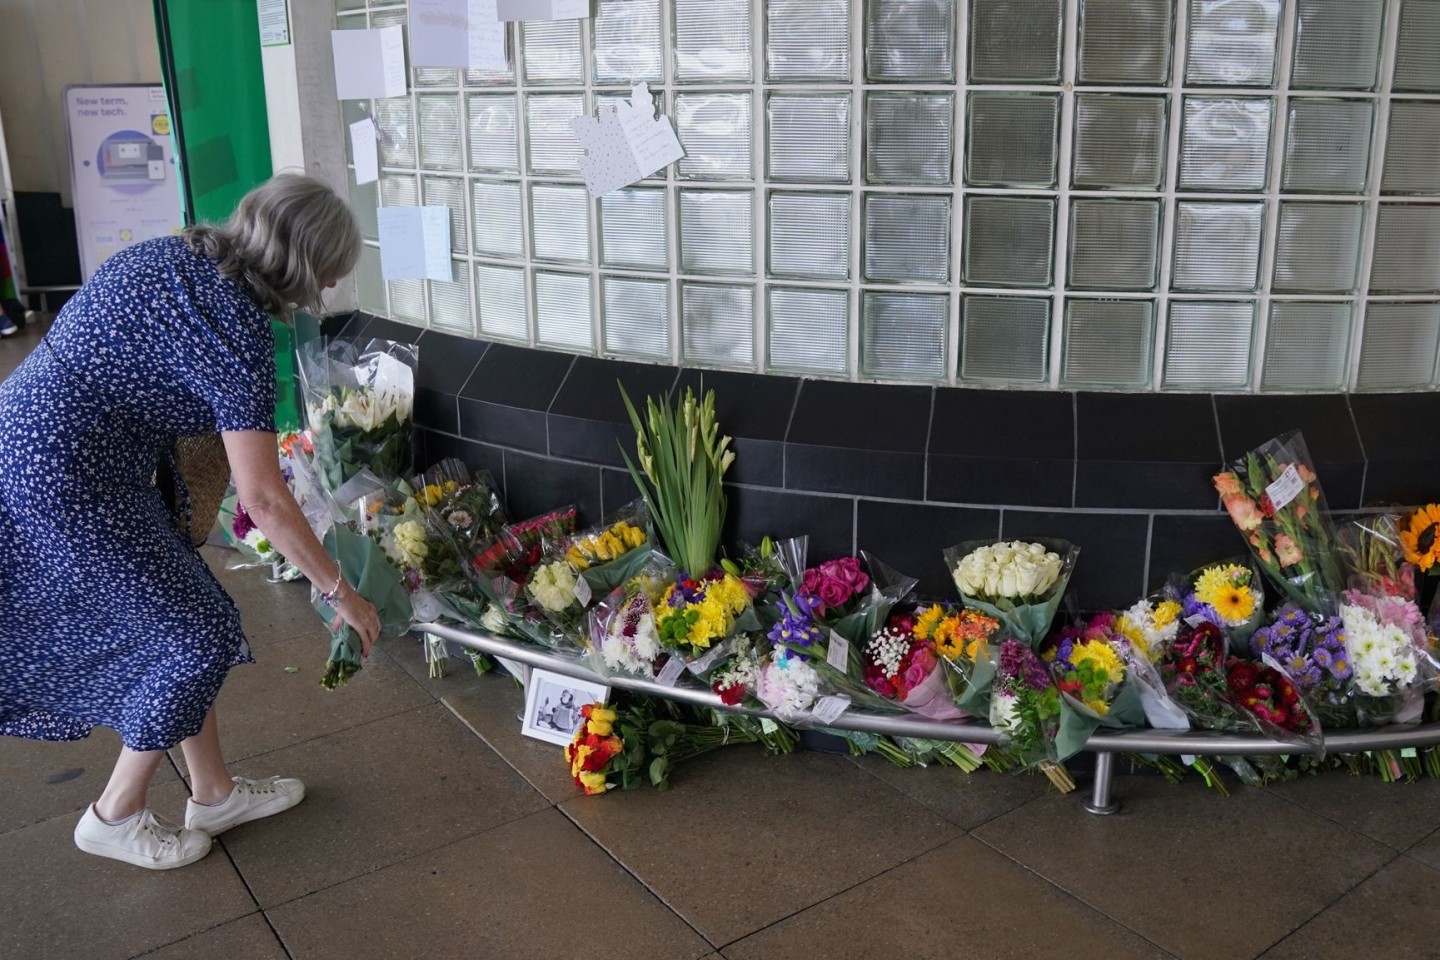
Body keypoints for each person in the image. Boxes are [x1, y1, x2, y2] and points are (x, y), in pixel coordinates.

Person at [0, 173, 382, 870]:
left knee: (181, 614)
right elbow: (262, 497)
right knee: (197, 637)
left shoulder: (172, 255)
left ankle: (213, 792)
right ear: (301, 264)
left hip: (23, 439)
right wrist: (340, 592)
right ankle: (113, 813)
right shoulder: (235, 330)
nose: (324, 292)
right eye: (327, 274)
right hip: (70, 479)